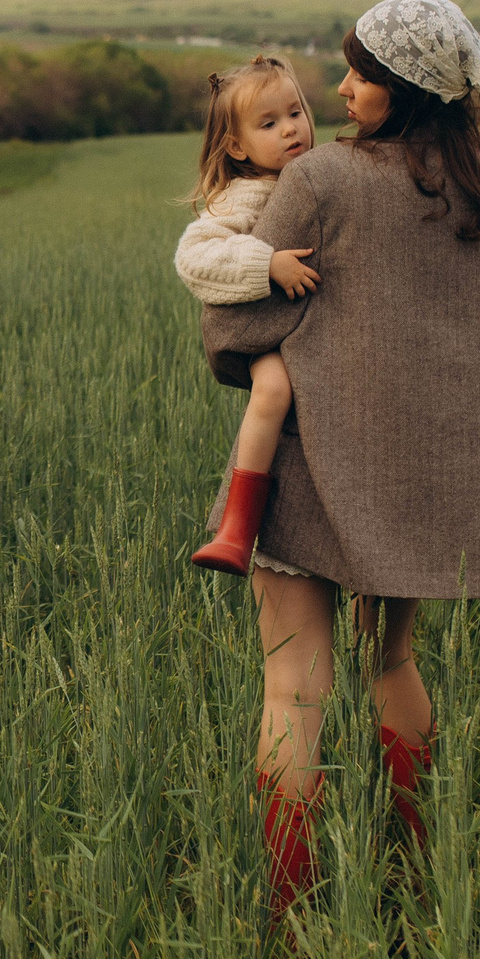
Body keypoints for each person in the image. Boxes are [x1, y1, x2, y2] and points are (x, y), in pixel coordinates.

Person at [198, 0, 480, 916]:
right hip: (416, 491)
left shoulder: (323, 178)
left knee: (294, 692)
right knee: (393, 665)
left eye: (359, 72)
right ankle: (421, 872)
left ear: (403, 88)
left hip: (310, 476)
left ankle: (293, 915)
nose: (341, 87)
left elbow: (232, 320)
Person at [172, 55, 323, 574]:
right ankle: (238, 526)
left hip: (315, 330)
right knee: (275, 389)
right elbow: (194, 257)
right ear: (236, 147)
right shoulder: (247, 194)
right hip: (270, 338)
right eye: (268, 123)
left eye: (295, 112)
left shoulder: (316, 174)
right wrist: (267, 263)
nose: (290, 129)